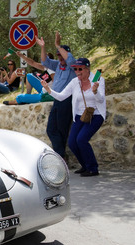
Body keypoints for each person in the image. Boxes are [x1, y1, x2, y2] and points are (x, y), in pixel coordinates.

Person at [42, 58, 106, 177]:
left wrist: (95, 91)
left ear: (87, 69)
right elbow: (61, 97)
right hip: (80, 116)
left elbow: (101, 99)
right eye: (75, 69)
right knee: (72, 142)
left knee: (81, 139)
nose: (77, 71)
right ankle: (85, 165)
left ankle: (93, 168)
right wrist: (48, 89)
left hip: (96, 115)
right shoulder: (74, 82)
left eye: (80, 69)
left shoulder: (97, 79)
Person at [37, 31, 77, 160]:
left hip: (67, 100)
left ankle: (60, 156)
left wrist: (58, 45)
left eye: (62, 54)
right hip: (57, 99)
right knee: (51, 129)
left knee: (62, 129)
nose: (60, 57)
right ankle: (60, 154)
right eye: (58, 54)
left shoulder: (73, 66)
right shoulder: (58, 65)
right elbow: (44, 61)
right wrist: (43, 47)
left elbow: (70, 60)